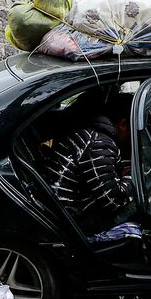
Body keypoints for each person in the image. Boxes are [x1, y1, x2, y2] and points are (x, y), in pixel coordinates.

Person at [38, 92, 135, 236]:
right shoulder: (100, 144)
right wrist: (130, 178)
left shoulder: (88, 132)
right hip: (71, 220)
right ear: (123, 124)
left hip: (59, 208)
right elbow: (112, 202)